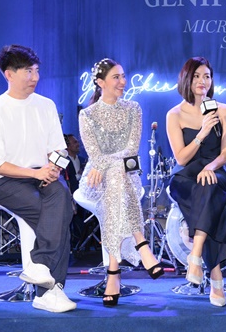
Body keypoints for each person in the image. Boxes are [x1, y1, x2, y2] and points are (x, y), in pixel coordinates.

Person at [0, 44, 76, 313]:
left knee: (62, 198)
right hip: (5, 181)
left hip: (42, 175)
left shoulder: (46, 105)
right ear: (9, 74)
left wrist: (54, 168)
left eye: (36, 70)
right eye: (28, 71)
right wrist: (36, 173)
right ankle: (50, 291)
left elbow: (59, 149)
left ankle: (40, 269)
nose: (35, 77)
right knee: (55, 216)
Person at [78, 58, 164, 307]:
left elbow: (131, 149)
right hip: (95, 179)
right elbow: (93, 153)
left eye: (123, 76)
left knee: (117, 176)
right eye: (116, 77)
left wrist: (106, 164)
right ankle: (142, 244)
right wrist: (103, 165)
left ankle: (113, 273)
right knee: (116, 176)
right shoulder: (87, 114)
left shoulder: (133, 108)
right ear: (100, 82)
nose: (123, 82)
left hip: (126, 175)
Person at [166, 56, 226, 307]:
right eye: (196, 76)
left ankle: (195, 257)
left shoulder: (224, 110)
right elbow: (181, 158)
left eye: (206, 76)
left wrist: (210, 166)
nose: (202, 81)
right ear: (186, 79)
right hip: (186, 176)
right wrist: (203, 132)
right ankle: (216, 276)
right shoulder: (174, 114)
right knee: (211, 200)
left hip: (215, 171)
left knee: (210, 186)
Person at [63, 134, 88, 249]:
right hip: (69, 197)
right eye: (75, 142)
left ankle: (84, 245)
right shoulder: (63, 161)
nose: (78, 145)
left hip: (84, 197)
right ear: (67, 146)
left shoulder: (84, 160)